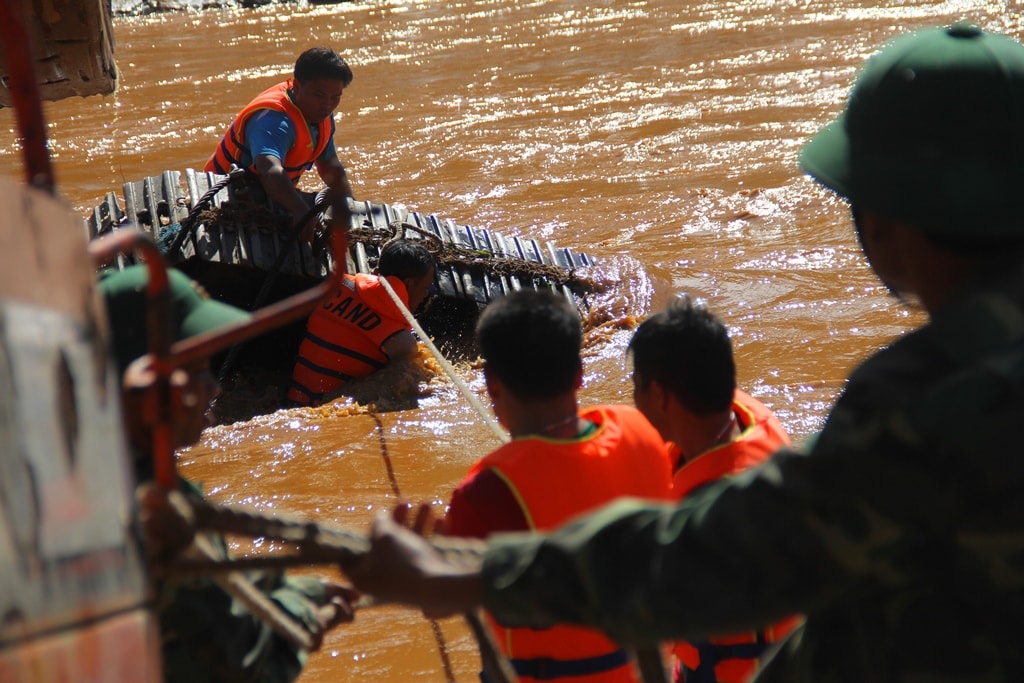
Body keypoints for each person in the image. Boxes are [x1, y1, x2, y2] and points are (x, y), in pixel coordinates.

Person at [344, 23, 1024, 680]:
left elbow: (720, 558)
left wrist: (456, 572)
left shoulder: (929, 393)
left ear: (879, 218)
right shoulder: (707, 431)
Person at [100, 264, 357, 683]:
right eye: (199, 369)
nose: (213, 388)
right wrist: (305, 612)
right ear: (148, 386)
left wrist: (298, 589)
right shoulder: (153, 518)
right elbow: (242, 663)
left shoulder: (124, 476)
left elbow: (211, 579)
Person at [444, 289, 674, 683]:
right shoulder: (641, 430)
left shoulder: (484, 492)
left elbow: (444, 601)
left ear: (492, 385)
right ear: (579, 373)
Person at [628, 297, 798, 683]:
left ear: (660, 395)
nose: (633, 403)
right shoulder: (746, 414)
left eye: (636, 389)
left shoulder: (716, 512)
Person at [205, 46, 355, 228]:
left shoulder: (320, 115)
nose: (328, 104)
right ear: (297, 86)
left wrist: (350, 204)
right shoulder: (274, 121)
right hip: (226, 195)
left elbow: (330, 166)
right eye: (320, 95)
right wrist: (300, 210)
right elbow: (270, 170)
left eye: (335, 97)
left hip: (271, 192)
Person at [285, 239, 435, 407]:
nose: (425, 295)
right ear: (408, 283)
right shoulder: (401, 342)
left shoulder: (335, 285)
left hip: (293, 400)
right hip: (326, 414)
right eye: (425, 287)